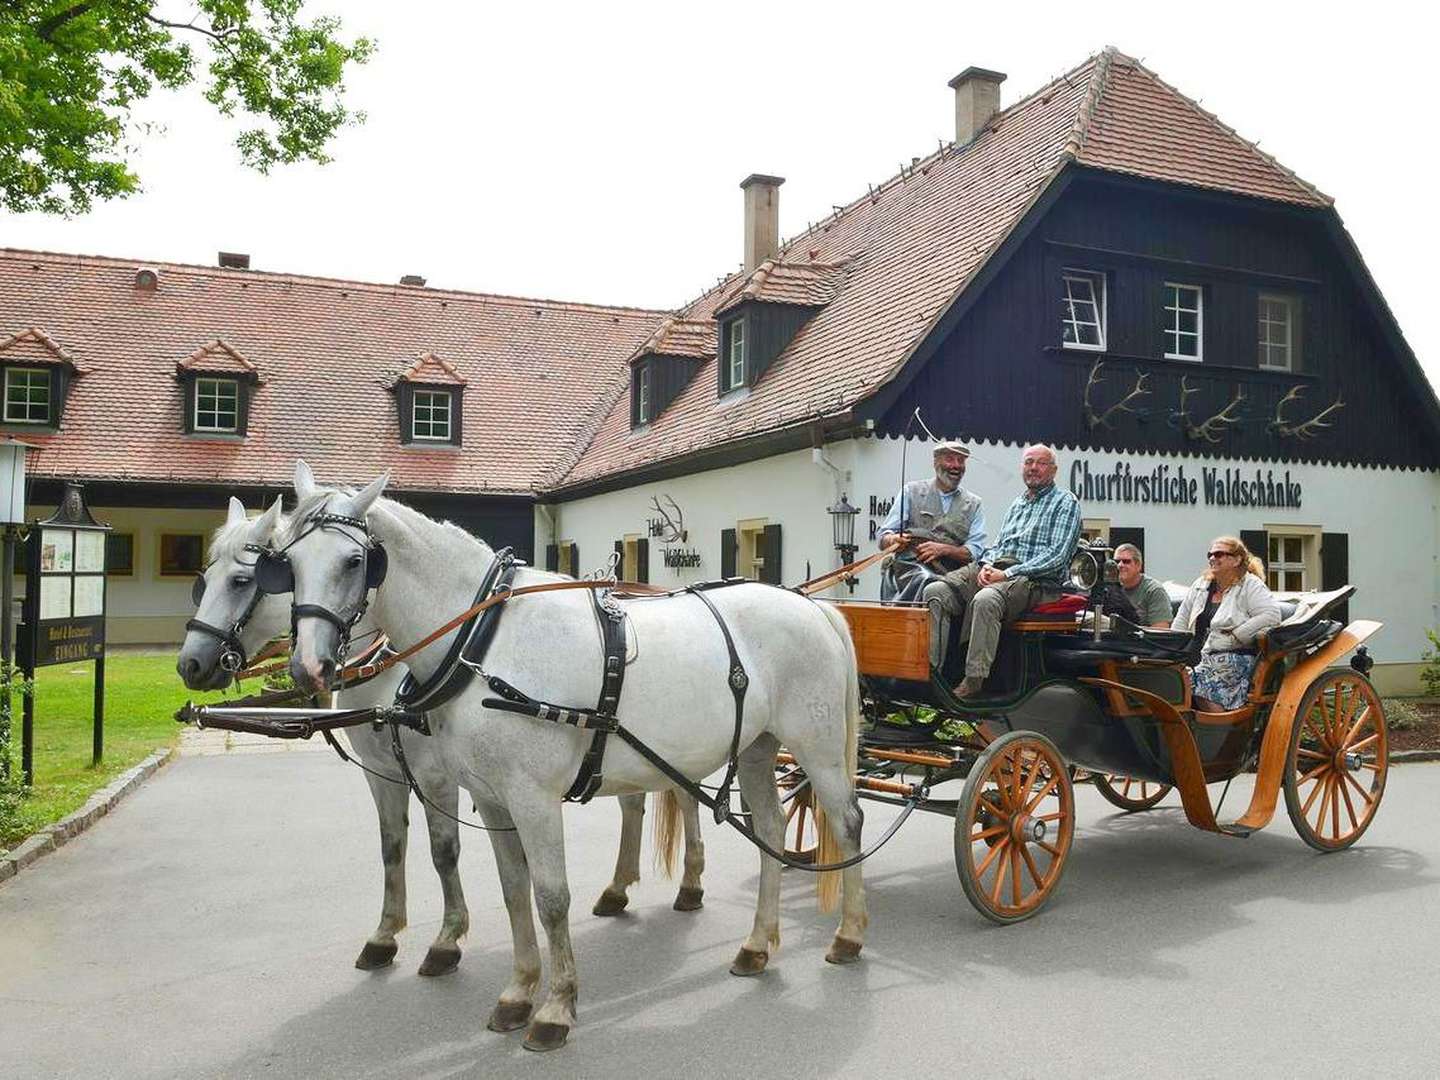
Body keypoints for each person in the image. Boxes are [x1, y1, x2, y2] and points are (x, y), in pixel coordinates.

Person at [922, 444, 1081, 698]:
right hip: (999, 569)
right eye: (1028, 462)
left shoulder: (1065, 502)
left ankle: (974, 681)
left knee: (986, 599)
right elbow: (998, 545)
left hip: (1036, 581)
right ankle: (934, 672)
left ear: (1053, 470)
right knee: (935, 591)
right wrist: (987, 565)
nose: (1033, 468)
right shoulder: (1017, 503)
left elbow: (1056, 557)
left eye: (1040, 463)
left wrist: (1006, 574)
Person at [1171, 535, 1282, 711]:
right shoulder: (1201, 585)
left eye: (1219, 554)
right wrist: (1172, 650)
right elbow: (1182, 619)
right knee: (1170, 680)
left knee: (1196, 683)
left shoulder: (1250, 585)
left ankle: (1218, 733)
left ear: (1237, 559)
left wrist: (1236, 636)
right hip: (1199, 655)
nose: (1212, 558)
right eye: (1210, 554)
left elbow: (1271, 615)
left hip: (1235, 657)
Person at [877, 441, 986, 602]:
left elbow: (975, 551)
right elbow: (883, 537)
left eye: (961, 460)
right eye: (949, 459)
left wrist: (945, 549)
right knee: (925, 580)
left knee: (938, 586)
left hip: (953, 575)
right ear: (936, 463)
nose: (956, 465)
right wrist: (892, 540)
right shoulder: (910, 491)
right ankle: (910, 624)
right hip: (910, 568)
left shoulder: (974, 504)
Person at [1114, 543, 1172, 628]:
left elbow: (1161, 632)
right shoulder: (1108, 589)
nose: (1120, 565)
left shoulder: (1154, 591)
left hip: (1142, 640)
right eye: (1116, 562)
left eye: (1126, 561)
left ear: (1138, 565)